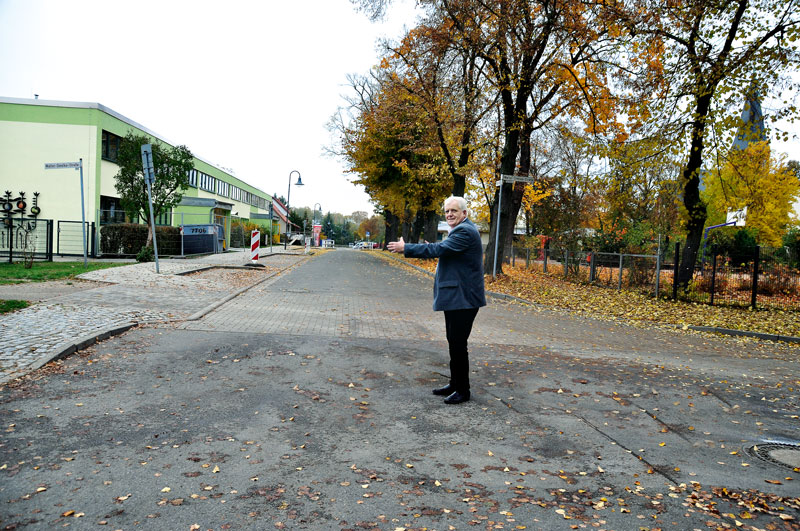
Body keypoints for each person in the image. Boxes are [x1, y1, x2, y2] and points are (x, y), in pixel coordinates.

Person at [387, 195, 486, 404]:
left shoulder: (465, 231)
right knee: (454, 342)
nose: (449, 214)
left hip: (464, 299)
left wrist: (407, 248)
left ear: (464, 214)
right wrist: (430, 246)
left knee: (458, 344)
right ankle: (455, 383)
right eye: (447, 211)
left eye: (454, 211)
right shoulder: (460, 230)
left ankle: (463, 390)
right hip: (458, 297)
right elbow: (445, 249)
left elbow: (439, 249)